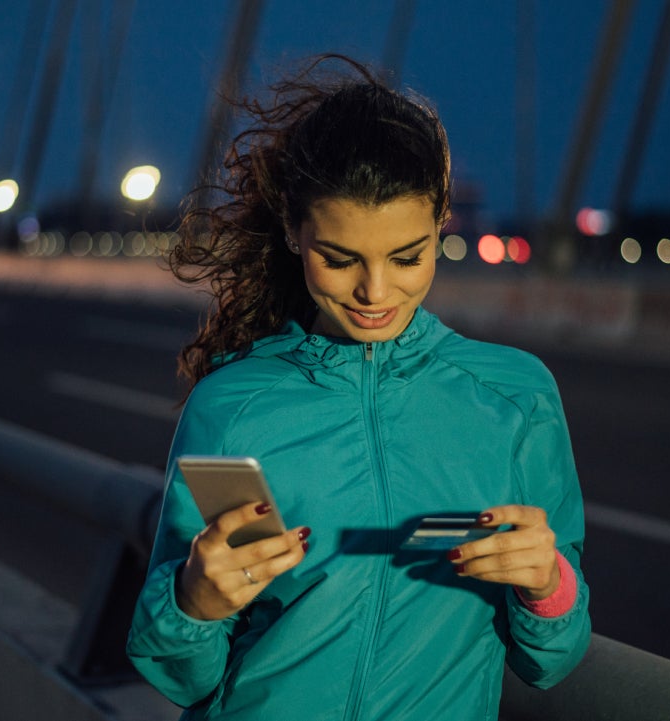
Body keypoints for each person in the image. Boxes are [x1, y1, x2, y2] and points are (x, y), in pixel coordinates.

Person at [126, 54, 590, 720]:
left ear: (441, 223)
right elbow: (183, 677)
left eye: (408, 255)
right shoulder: (231, 408)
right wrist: (193, 602)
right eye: (340, 259)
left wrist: (548, 582)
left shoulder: (517, 398)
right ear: (293, 230)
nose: (376, 291)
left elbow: (553, 658)